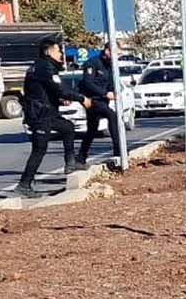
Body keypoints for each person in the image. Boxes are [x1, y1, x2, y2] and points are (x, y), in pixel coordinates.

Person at [17, 41, 78, 198]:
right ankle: (24, 184)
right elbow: (57, 88)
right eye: (58, 51)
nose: (61, 55)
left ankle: (70, 164)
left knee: (68, 128)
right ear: (48, 52)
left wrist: (60, 100)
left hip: (48, 113)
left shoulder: (44, 66)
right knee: (39, 149)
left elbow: (46, 91)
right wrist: (80, 98)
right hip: (39, 115)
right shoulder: (44, 67)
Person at [75, 48, 123, 170]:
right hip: (93, 99)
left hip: (103, 100)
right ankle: (118, 151)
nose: (118, 56)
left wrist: (115, 91)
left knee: (92, 129)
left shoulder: (111, 66)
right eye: (117, 52)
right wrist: (105, 93)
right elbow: (88, 83)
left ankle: (81, 157)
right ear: (107, 51)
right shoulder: (93, 63)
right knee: (112, 116)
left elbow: (112, 83)